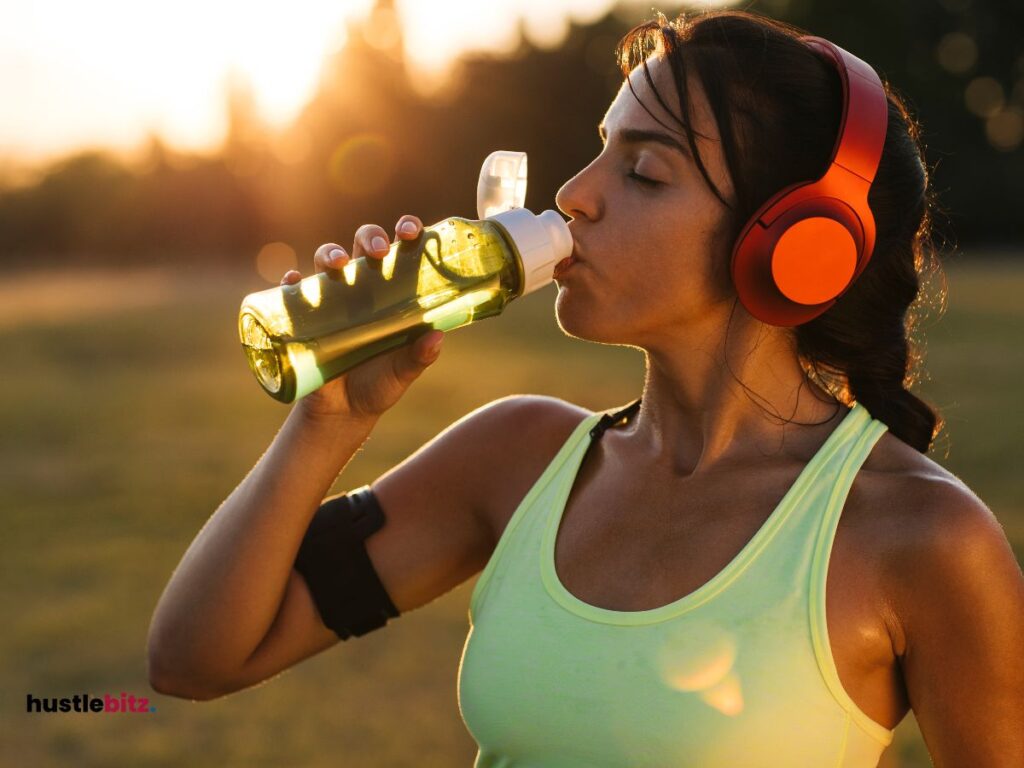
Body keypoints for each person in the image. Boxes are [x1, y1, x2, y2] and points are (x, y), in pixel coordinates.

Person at [147, 9, 1024, 767]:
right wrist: (328, 421)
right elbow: (193, 660)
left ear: (796, 246)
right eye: (602, 152)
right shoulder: (514, 459)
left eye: (645, 173)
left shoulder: (920, 538)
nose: (574, 196)